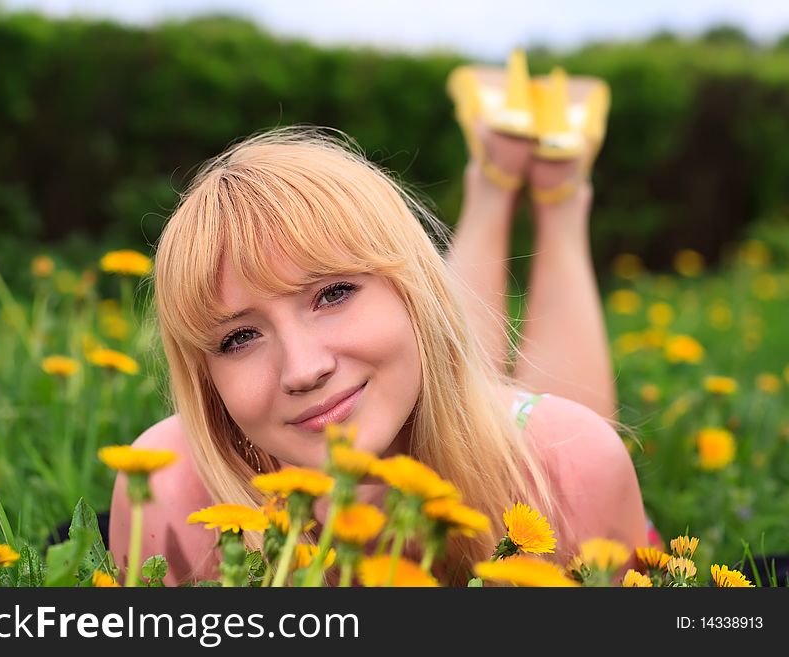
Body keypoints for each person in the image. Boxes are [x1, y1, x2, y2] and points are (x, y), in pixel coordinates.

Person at [108, 120, 651, 586]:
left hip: (538, 458)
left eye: (333, 294)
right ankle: (494, 179)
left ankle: (555, 195)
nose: (304, 369)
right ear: (206, 380)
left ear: (415, 288)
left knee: (561, 447)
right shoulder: (171, 491)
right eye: (239, 338)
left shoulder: (578, 469)